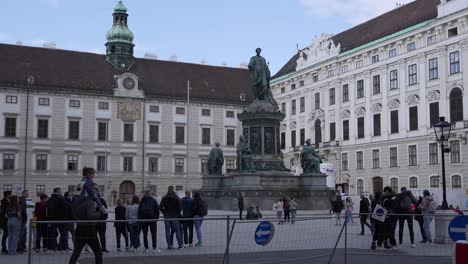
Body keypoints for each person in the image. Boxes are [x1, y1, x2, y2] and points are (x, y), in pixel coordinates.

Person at [68, 184, 103, 264]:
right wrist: (99, 212)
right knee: (98, 252)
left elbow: (73, 214)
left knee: (76, 252)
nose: (96, 191)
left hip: (80, 228)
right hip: (89, 229)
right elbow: (91, 216)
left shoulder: (76, 200)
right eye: (95, 189)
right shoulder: (90, 201)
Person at [46, 187, 67, 253]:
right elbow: (65, 209)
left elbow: (47, 210)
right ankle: (61, 248)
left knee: (53, 234)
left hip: (51, 219)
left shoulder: (49, 199)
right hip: (61, 219)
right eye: (60, 191)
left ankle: (53, 247)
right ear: (58, 191)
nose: (61, 192)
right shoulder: (61, 199)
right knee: (63, 234)